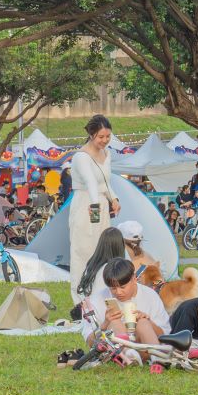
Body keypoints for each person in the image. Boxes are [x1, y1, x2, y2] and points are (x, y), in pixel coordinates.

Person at [68, 115, 120, 306]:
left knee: (102, 252)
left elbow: (105, 182)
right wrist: (96, 210)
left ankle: (100, 296)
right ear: (91, 135)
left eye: (108, 136)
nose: (105, 140)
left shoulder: (107, 154)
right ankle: (81, 302)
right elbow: (90, 183)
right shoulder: (81, 157)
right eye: (101, 137)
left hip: (101, 205)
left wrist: (113, 199)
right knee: (83, 253)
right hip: (86, 205)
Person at [95, 258, 171, 347]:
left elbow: (165, 336)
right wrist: (105, 324)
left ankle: (156, 357)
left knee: (143, 322)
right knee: (115, 322)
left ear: (134, 279)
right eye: (113, 288)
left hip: (145, 346)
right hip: (118, 351)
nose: (118, 292)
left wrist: (149, 322)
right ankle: (129, 355)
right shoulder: (98, 299)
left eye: (122, 287)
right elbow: (90, 342)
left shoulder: (150, 296)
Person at [73, 227, 130, 332]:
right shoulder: (109, 270)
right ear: (119, 246)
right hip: (104, 314)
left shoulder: (92, 265)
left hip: (89, 313)